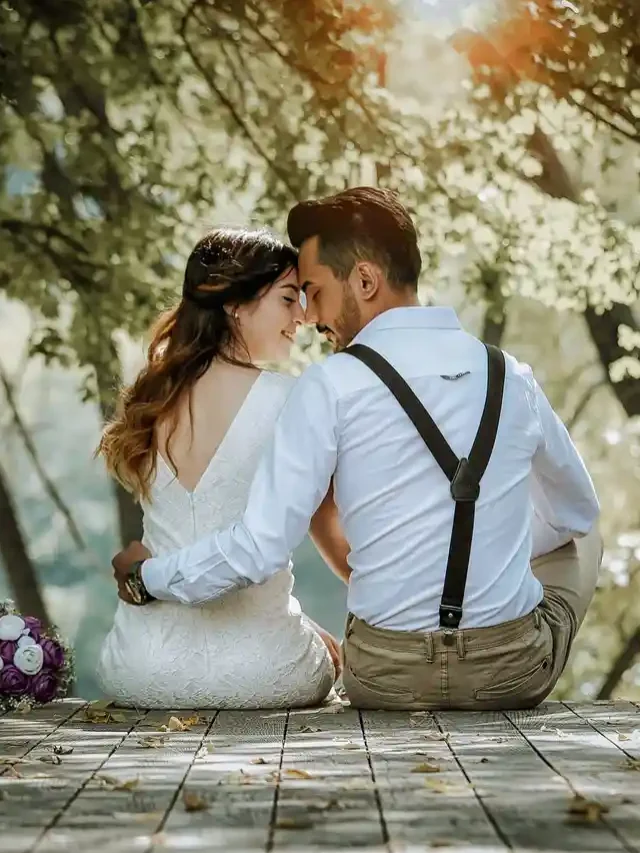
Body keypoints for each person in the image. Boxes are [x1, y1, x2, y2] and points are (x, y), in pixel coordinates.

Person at [112, 187, 601, 711]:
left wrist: (148, 577)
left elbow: (260, 545)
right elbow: (575, 512)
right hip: (510, 673)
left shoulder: (329, 385)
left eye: (314, 290)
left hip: (384, 677)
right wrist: (489, 554)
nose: (309, 315)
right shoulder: (512, 377)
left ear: (364, 280)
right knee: (580, 538)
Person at [97, 227, 340, 709]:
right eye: (288, 299)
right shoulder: (293, 397)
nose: (303, 317)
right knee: (334, 658)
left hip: (140, 669)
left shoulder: (152, 397)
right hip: (264, 672)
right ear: (233, 303)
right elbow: (260, 551)